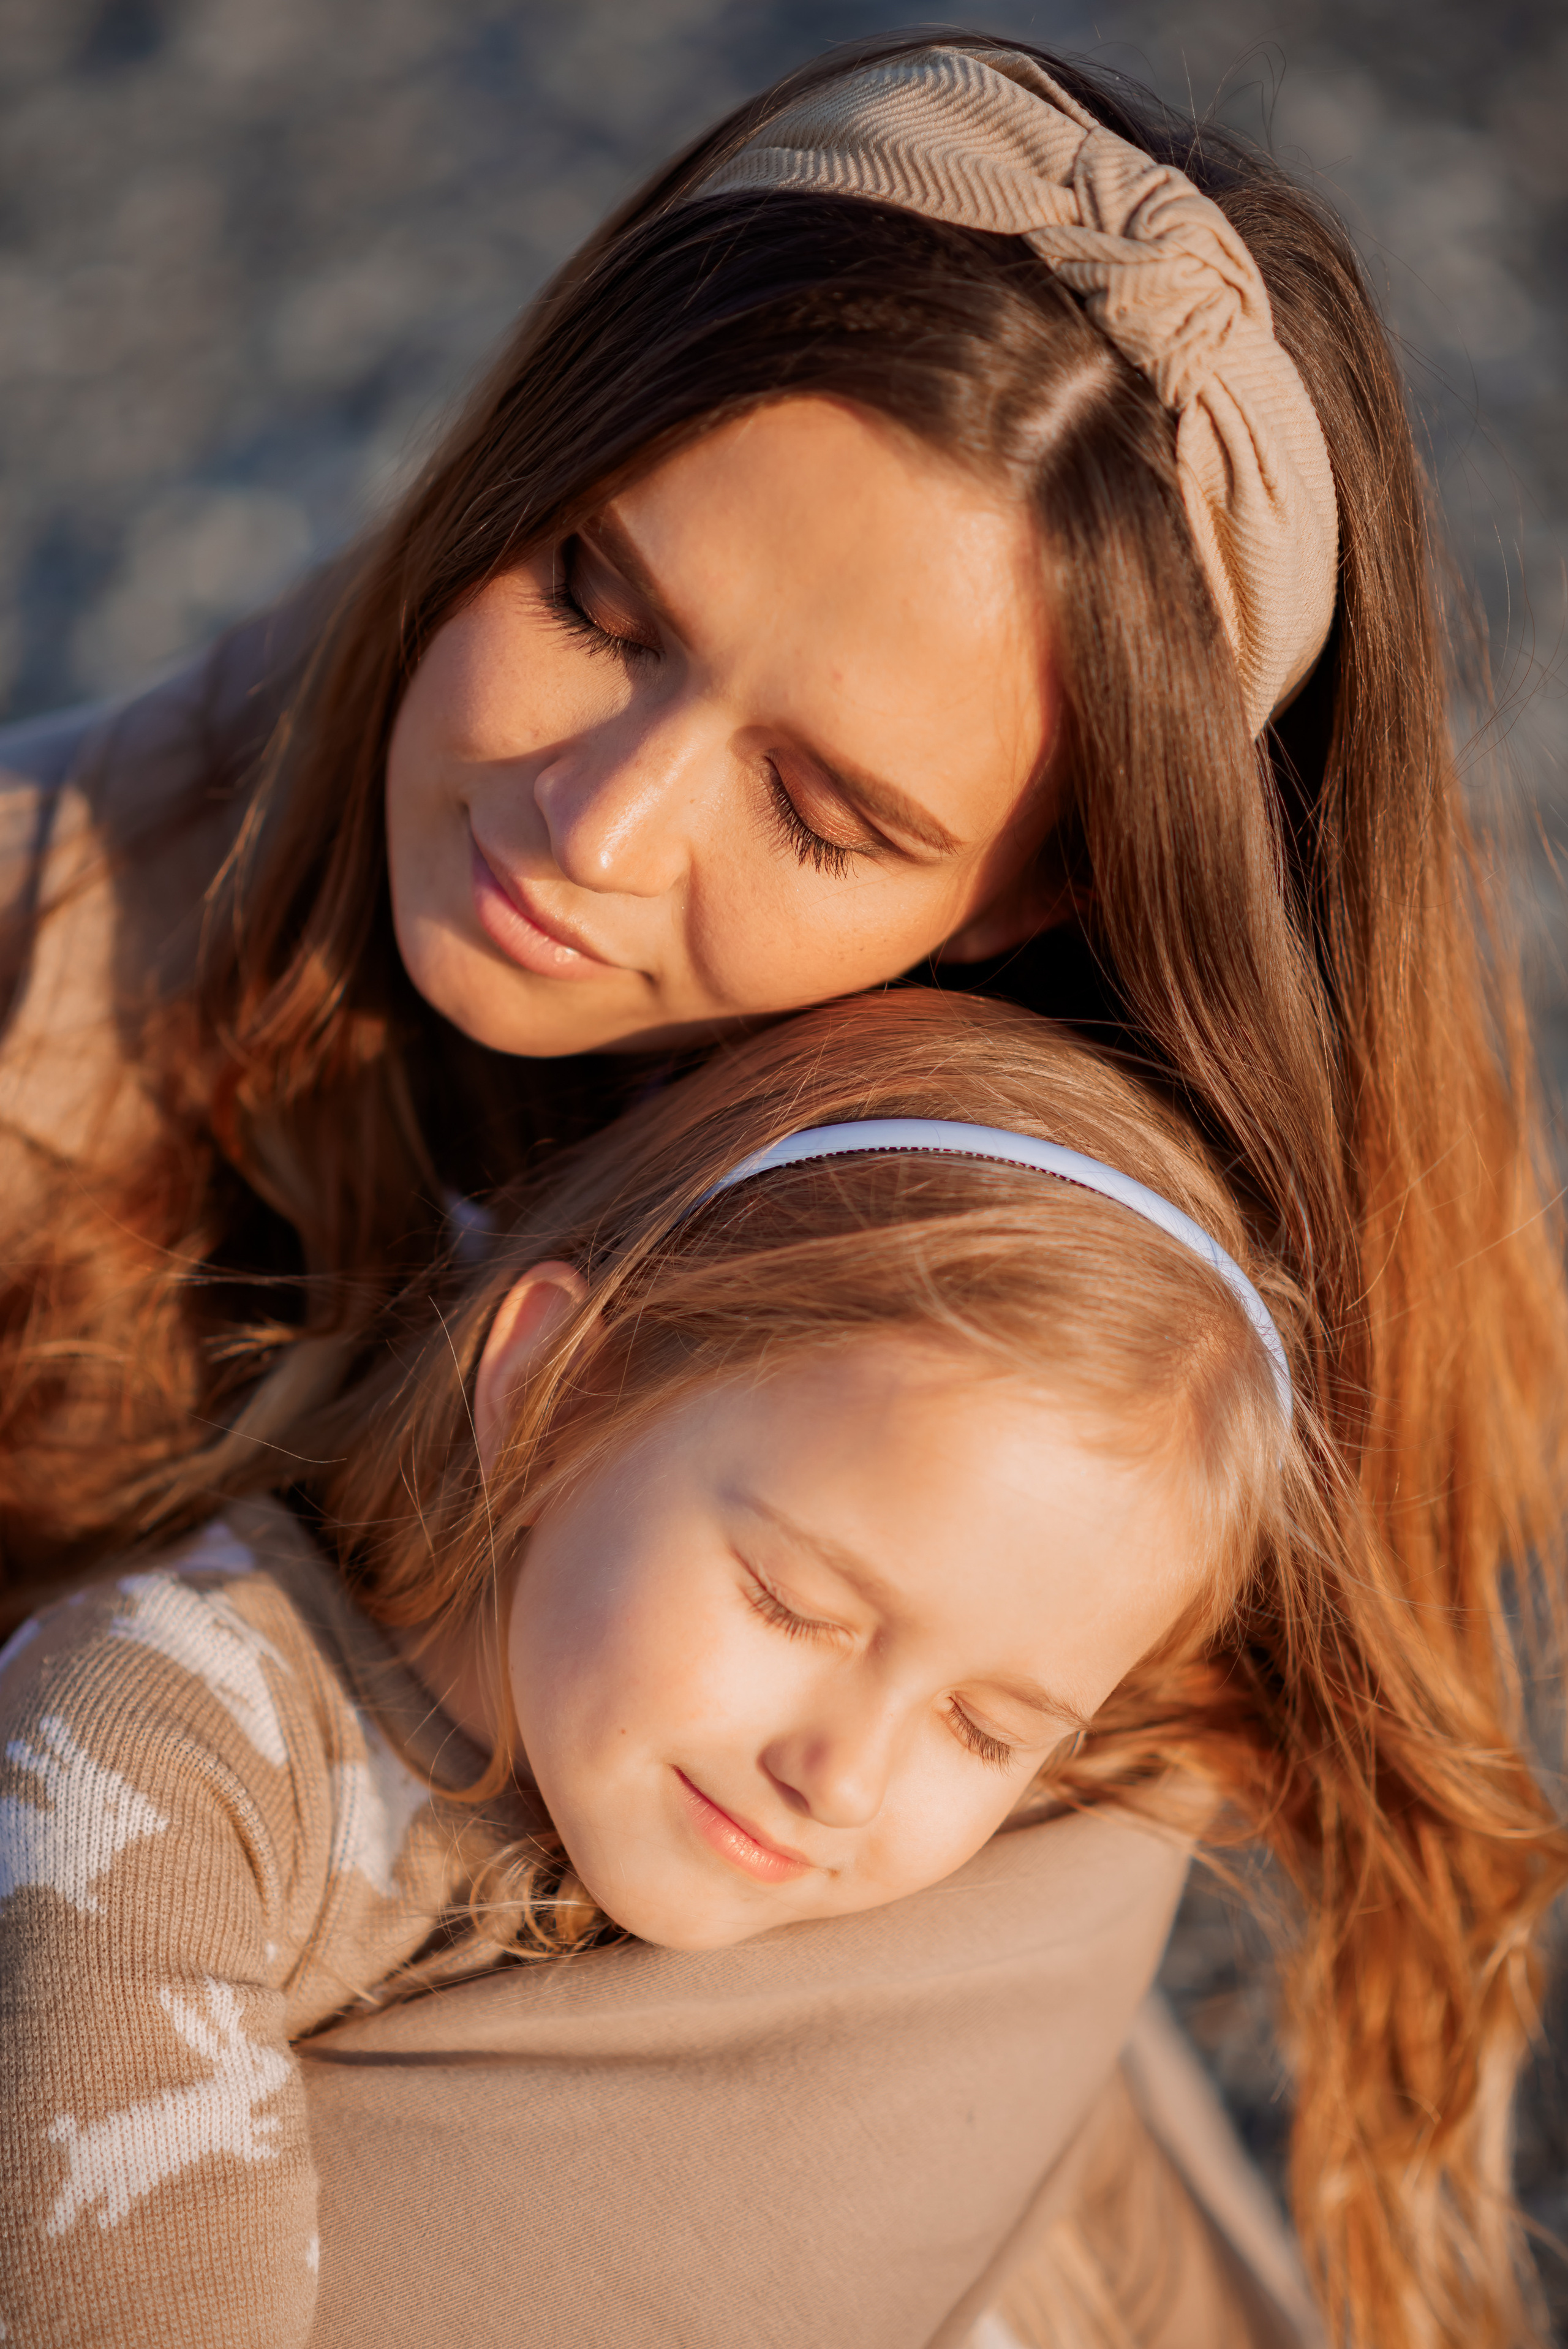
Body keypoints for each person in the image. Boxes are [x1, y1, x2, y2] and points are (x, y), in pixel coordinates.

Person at [0, 29, 1562, 2348]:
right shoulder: (57, 984)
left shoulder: (1106, 1267)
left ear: (1044, 907)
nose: (596, 830)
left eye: (829, 816)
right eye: (595, 602)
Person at [2, 988, 1536, 2349]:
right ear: (554, 1380)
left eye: (987, 1727)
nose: (845, 1777)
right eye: (797, 1605)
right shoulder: (153, 1744)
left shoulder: (985, 1908)